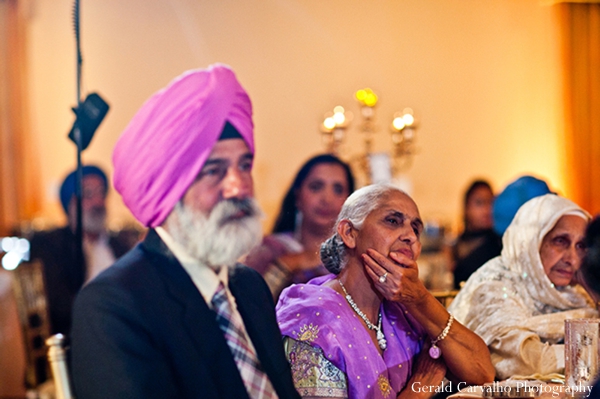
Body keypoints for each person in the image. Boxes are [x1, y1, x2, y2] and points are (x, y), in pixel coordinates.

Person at [70, 64, 300, 399]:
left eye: (244, 165)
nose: (238, 186)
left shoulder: (249, 287)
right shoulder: (115, 305)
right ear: (169, 189)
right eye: (213, 170)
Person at [276, 183, 495, 399]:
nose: (410, 236)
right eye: (392, 221)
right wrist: (420, 387)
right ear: (349, 233)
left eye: (416, 229)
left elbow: (483, 374)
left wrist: (420, 299)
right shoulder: (316, 322)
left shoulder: (404, 313)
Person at [449, 194, 597, 380]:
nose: (572, 259)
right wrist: (591, 352)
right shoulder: (494, 286)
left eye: (581, 246)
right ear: (530, 241)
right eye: (560, 241)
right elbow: (528, 362)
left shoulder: (575, 294)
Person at [28, 165, 139, 335]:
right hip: (81, 337)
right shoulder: (50, 246)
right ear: (69, 203)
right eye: (87, 194)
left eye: (102, 193)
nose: (98, 202)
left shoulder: (121, 245)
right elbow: (56, 306)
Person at [244, 154, 355, 299]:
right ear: (298, 196)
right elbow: (250, 307)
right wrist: (284, 266)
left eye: (338, 190)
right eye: (316, 187)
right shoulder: (270, 250)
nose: (327, 199)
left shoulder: (355, 259)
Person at [451, 179, 502, 289]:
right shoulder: (455, 245)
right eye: (479, 203)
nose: (487, 210)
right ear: (466, 208)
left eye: (491, 202)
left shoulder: (499, 245)